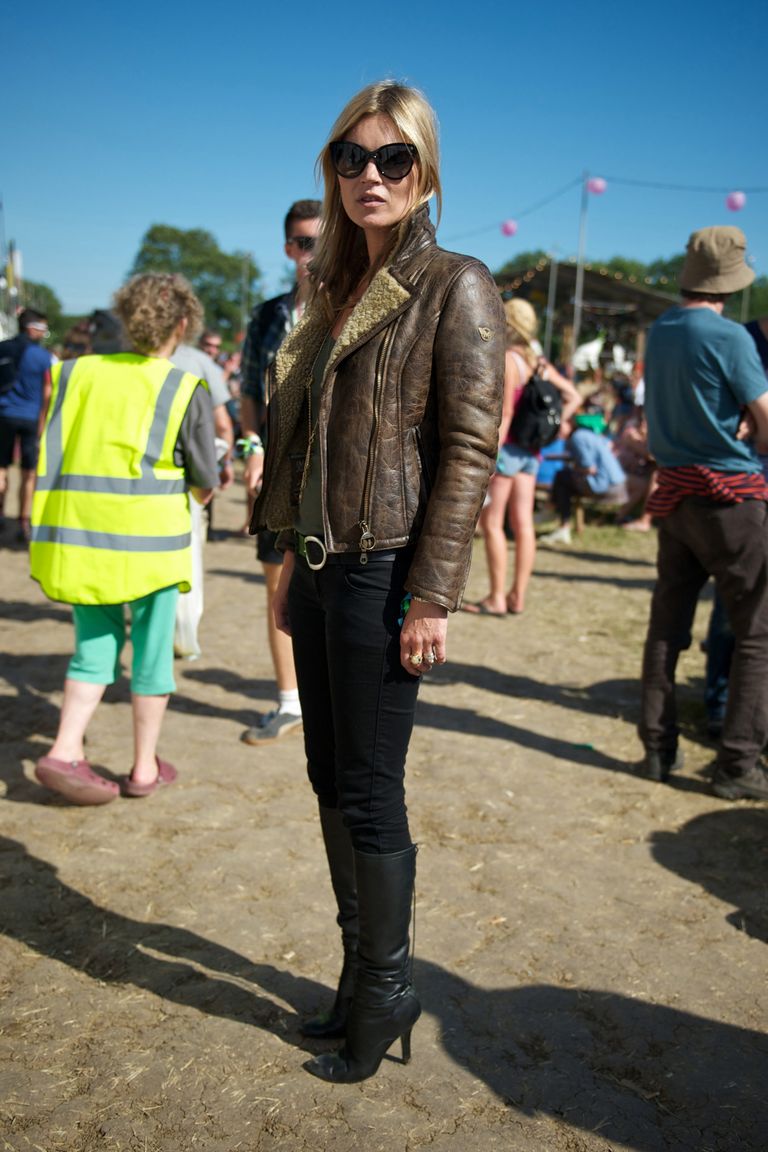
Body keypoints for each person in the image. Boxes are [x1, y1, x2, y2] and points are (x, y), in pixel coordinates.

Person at [250, 81, 504, 1082]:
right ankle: (361, 978)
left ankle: (390, 983)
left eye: (392, 158)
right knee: (326, 778)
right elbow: (306, 439)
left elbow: (469, 450)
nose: (369, 175)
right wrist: (281, 546)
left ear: (424, 169)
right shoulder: (330, 288)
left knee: (370, 787)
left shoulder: (456, 284)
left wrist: (434, 594)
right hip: (317, 568)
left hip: (386, 570)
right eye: (352, 157)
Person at [30, 273, 219, 806]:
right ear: (182, 325)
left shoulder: (72, 373)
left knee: (92, 650)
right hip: (151, 550)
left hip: (81, 539)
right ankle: (142, 768)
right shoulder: (182, 387)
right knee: (153, 657)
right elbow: (204, 479)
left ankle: (65, 749)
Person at [636, 226, 768, 801]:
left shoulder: (659, 331)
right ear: (731, 281)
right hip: (731, 499)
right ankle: (738, 766)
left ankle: (657, 749)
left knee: (667, 628)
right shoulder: (731, 336)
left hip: (674, 495)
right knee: (757, 635)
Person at [238, 199, 321, 744]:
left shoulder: (360, 304)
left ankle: (330, 703)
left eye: (324, 240)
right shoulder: (269, 316)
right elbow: (248, 392)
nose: (313, 254)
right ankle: (289, 701)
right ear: (289, 248)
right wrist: (252, 447)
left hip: (343, 475)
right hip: (278, 475)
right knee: (280, 587)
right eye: (304, 243)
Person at [464, 298, 580, 615]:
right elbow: (574, 394)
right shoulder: (538, 361)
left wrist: (490, 456)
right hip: (532, 452)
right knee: (524, 523)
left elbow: (505, 414)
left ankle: (496, 597)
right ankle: (518, 596)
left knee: (492, 523)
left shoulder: (508, 360)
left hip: (509, 451)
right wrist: (556, 426)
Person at [0, 309, 53, 543]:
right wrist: (43, 423)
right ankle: (23, 521)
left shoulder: (3, 348)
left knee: (1, 468)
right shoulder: (42, 356)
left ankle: (1, 514)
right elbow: (47, 391)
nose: (43, 334)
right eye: (42, 329)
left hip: (3, 415)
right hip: (30, 419)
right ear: (31, 328)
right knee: (28, 472)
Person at [539, 414, 628, 544]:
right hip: (618, 485)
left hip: (608, 488)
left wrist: (574, 467)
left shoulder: (578, 436)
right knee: (566, 480)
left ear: (570, 422)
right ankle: (554, 513)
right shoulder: (591, 434)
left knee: (562, 477)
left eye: (560, 422)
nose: (555, 426)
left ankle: (555, 516)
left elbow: (589, 469)